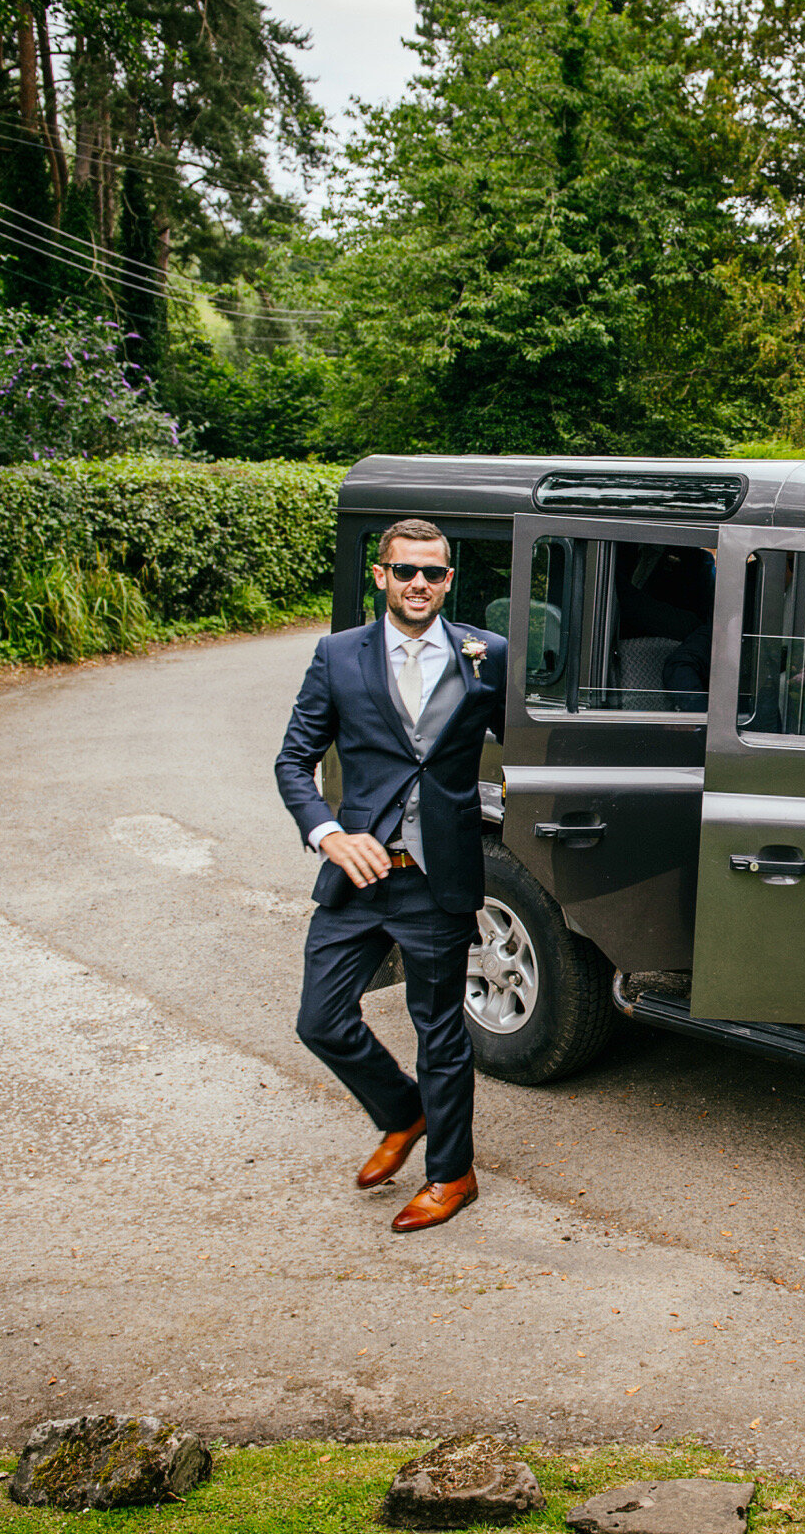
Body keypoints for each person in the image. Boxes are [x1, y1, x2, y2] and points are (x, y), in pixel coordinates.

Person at [273, 518, 507, 1233]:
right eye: (405, 571)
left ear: (448, 580)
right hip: (360, 875)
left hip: (437, 880)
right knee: (321, 1020)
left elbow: (529, 745)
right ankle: (403, 1113)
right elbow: (293, 761)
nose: (419, 585)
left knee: (439, 1031)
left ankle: (452, 1174)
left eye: (432, 573)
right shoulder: (338, 656)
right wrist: (329, 833)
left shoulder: (485, 654)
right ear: (380, 576)